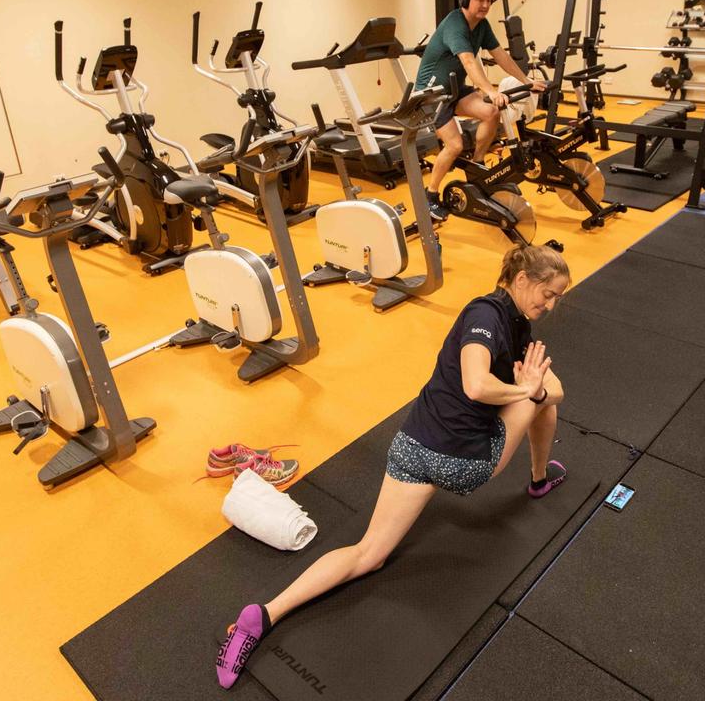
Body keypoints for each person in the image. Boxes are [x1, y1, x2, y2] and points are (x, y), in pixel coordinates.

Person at [215, 244, 571, 688]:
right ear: (521, 280)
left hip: (411, 446)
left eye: (557, 297)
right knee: (539, 402)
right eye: (549, 293)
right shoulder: (485, 316)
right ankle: (538, 482)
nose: (551, 305)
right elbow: (480, 385)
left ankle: (265, 614)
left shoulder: (515, 323)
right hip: (466, 463)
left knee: (368, 554)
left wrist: (535, 389)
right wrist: (527, 392)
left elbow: (549, 387)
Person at [415, 0, 546, 213]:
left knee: (491, 112)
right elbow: (468, 61)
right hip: (431, 95)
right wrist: (490, 90)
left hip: (454, 91)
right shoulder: (455, 24)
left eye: (489, 0)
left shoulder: (482, 25)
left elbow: (500, 55)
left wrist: (526, 81)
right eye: (479, 0)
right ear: (466, 0)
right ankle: (431, 193)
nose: (485, 5)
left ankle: (477, 167)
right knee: (454, 146)